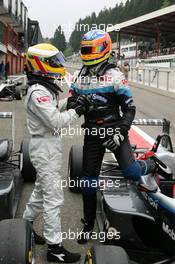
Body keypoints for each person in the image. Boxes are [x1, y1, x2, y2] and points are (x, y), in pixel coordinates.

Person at [67, 30, 166, 245]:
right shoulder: (79, 76)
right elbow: (70, 103)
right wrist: (78, 104)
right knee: (88, 183)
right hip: (92, 133)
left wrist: (120, 132)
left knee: (131, 172)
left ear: (102, 48)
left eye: (88, 49)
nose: (85, 53)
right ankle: (88, 224)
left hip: (115, 131)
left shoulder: (115, 75)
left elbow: (129, 109)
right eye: (83, 49)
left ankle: (151, 164)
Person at [23, 43, 88, 263]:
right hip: (45, 147)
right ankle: (55, 249)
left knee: (41, 192)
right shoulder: (37, 91)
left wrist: (67, 102)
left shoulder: (41, 88)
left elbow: (51, 109)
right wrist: (76, 110)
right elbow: (55, 121)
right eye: (54, 62)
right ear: (41, 64)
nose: (58, 65)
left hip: (46, 146)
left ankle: (25, 226)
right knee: (53, 199)